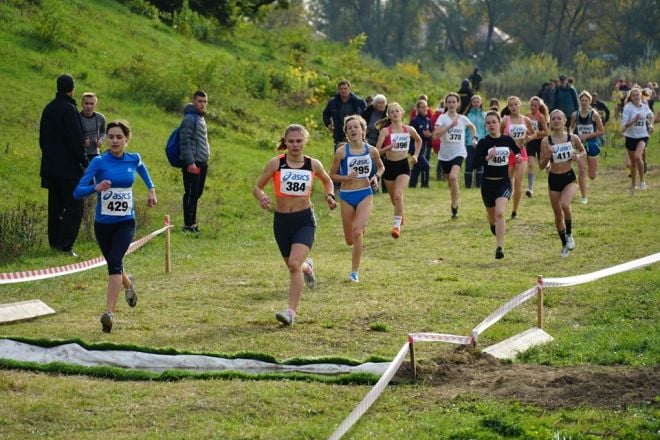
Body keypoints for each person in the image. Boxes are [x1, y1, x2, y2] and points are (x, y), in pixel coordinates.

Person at [73, 120, 157, 332]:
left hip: (125, 222)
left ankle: (108, 314)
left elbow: (142, 168)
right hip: (103, 225)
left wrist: (151, 189)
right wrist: (96, 187)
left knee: (114, 263)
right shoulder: (99, 162)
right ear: (106, 139)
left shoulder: (133, 158)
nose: (114, 140)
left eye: (119, 137)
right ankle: (128, 285)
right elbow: (77, 191)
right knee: (114, 263)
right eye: (111, 136)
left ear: (126, 140)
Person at [252, 124, 337, 325]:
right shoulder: (276, 163)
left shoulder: (312, 164)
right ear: (286, 142)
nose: (295, 145)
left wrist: (330, 195)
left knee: (293, 265)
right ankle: (308, 268)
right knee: (295, 267)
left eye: (299, 141)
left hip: (304, 220)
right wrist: (262, 196)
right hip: (282, 222)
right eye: (291, 141)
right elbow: (257, 187)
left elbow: (327, 181)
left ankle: (290, 313)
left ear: (305, 141)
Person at [329, 115, 384, 283]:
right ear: (346, 133)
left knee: (358, 232)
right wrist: (347, 177)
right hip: (346, 196)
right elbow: (332, 175)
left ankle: (354, 273)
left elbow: (381, 167)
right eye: (349, 128)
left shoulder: (371, 150)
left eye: (356, 127)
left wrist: (376, 177)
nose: (353, 130)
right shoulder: (341, 152)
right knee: (349, 240)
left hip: (365, 193)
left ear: (363, 130)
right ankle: (357, 232)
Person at [39, 73, 86, 256]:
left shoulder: (48, 108)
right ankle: (65, 246)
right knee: (75, 207)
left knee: (55, 207)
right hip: (68, 170)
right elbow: (75, 141)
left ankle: (55, 244)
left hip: (50, 168)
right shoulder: (69, 109)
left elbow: (42, 140)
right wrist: (84, 161)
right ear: (72, 89)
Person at [473, 111, 522, 259]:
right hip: (488, 184)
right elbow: (474, 164)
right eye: (488, 123)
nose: (491, 125)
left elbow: (517, 151)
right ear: (485, 126)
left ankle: (499, 247)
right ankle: (494, 226)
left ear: (499, 123)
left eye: (494, 122)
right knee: (492, 217)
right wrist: (488, 157)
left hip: (503, 182)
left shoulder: (507, 140)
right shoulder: (483, 142)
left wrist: (518, 157)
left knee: (500, 213)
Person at [539, 110, 586, 257]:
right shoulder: (546, 141)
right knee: (558, 215)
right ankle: (564, 244)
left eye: (559, 118)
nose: (556, 121)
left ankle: (570, 234)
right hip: (554, 179)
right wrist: (547, 156)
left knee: (565, 204)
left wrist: (577, 156)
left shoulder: (572, 138)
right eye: (553, 119)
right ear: (550, 122)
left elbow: (583, 151)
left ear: (564, 121)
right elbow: (541, 166)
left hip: (569, 177)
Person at [375, 102, 421, 237]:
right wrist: (387, 148)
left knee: (398, 195)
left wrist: (416, 155)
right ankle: (400, 215)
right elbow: (376, 151)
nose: (395, 114)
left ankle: (396, 227)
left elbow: (419, 141)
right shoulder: (385, 131)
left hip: (403, 166)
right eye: (392, 112)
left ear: (402, 113)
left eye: (397, 111)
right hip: (389, 166)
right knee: (393, 198)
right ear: (388, 115)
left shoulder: (408, 129)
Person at [433, 92, 477, 218]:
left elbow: (472, 127)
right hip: (445, 154)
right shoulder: (442, 118)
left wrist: (474, 138)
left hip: (459, 152)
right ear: (446, 104)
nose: (452, 104)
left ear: (458, 104)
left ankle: (454, 206)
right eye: (449, 102)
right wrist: (449, 127)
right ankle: (455, 197)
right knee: (450, 182)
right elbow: (435, 135)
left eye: (454, 102)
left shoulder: (462, 118)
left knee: (453, 177)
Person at [180, 90, 210, 233]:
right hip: (193, 163)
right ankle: (188, 225)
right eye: (200, 101)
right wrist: (190, 162)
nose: (202, 104)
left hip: (202, 161)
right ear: (194, 101)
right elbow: (184, 142)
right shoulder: (189, 118)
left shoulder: (200, 118)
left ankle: (192, 223)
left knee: (197, 193)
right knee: (191, 193)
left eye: (205, 102)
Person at [501, 96, 535, 219]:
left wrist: (527, 139)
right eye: (511, 105)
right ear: (508, 107)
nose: (513, 107)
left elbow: (534, 133)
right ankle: (503, 207)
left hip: (521, 153)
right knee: (507, 182)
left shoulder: (525, 120)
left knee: (518, 183)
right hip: (507, 154)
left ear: (519, 105)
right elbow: (499, 135)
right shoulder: (505, 120)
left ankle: (515, 211)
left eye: (515, 104)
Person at [569, 90, 605, 204]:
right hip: (580, 146)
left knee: (592, 175)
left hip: (592, 144)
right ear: (579, 101)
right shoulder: (575, 114)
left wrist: (587, 135)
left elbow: (601, 131)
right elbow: (571, 127)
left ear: (590, 101)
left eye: (586, 100)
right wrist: (572, 135)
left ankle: (593, 171)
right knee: (581, 170)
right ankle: (584, 197)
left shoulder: (594, 115)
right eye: (582, 100)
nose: (584, 103)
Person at [621, 87, 654, 195]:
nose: (636, 97)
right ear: (631, 97)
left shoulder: (644, 107)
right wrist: (634, 120)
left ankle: (643, 182)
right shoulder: (628, 108)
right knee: (633, 163)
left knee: (637, 156)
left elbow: (651, 116)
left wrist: (650, 124)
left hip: (642, 136)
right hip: (630, 137)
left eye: (637, 95)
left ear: (641, 96)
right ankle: (633, 184)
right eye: (634, 95)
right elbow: (625, 125)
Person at [322, 80, 367, 151]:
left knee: (356, 153)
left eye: (345, 89)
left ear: (349, 89)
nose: (343, 91)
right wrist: (328, 124)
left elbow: (366, 115)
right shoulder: (333, 102)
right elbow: (325, 114)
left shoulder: (358, 102)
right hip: (339, 133)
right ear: (338, 90)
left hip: (355, 132)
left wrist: (364, 128)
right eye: (341, 89)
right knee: (339, 156)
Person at [525, 96, 549, 198]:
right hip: (530, 142)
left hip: (540, 142)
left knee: (542, 165)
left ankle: (553, 181)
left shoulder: (541, 117)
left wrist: (536, 133)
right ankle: (530, 189)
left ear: (539, 106)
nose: (533, 107)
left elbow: (546, 132)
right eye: (531, 105)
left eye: (535, 105)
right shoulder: (527, 116)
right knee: (530, 165)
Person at [409, 99, 433, 188]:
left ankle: (412, 185)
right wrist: (421, 134)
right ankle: (425, 184)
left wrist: (428, 135)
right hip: (415, 148)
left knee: (417, 168)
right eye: (422, 107)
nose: (424, 109)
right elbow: (411, 135)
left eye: (425, 107)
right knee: (426, 166)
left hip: (423, 148)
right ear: (418, 109)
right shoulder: (414, 121)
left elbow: (430, 133)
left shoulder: (428, 120)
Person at [464, 95, 486, 188]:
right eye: (474, 102)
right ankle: (468, 186)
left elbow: (486, 129)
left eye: (478, 102)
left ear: (481, 103)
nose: (476, 104)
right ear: (471, 103)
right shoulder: (468, 116)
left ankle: (479, 186)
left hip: (482, 143)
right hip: (469, 143)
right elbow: (464, 130)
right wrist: (465, 142)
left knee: (480, 164)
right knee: (469, 163)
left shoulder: (484, 115)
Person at [79, 92, 106, 162]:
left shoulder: (101, 117)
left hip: (95, 153)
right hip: (79, 153)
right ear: (81, 104)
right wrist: (82, 141)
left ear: (95, 105)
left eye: (91, 104)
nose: (89, 106)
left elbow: (103, 132)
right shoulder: (76, 117)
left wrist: (100, 140)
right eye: (86, 103)